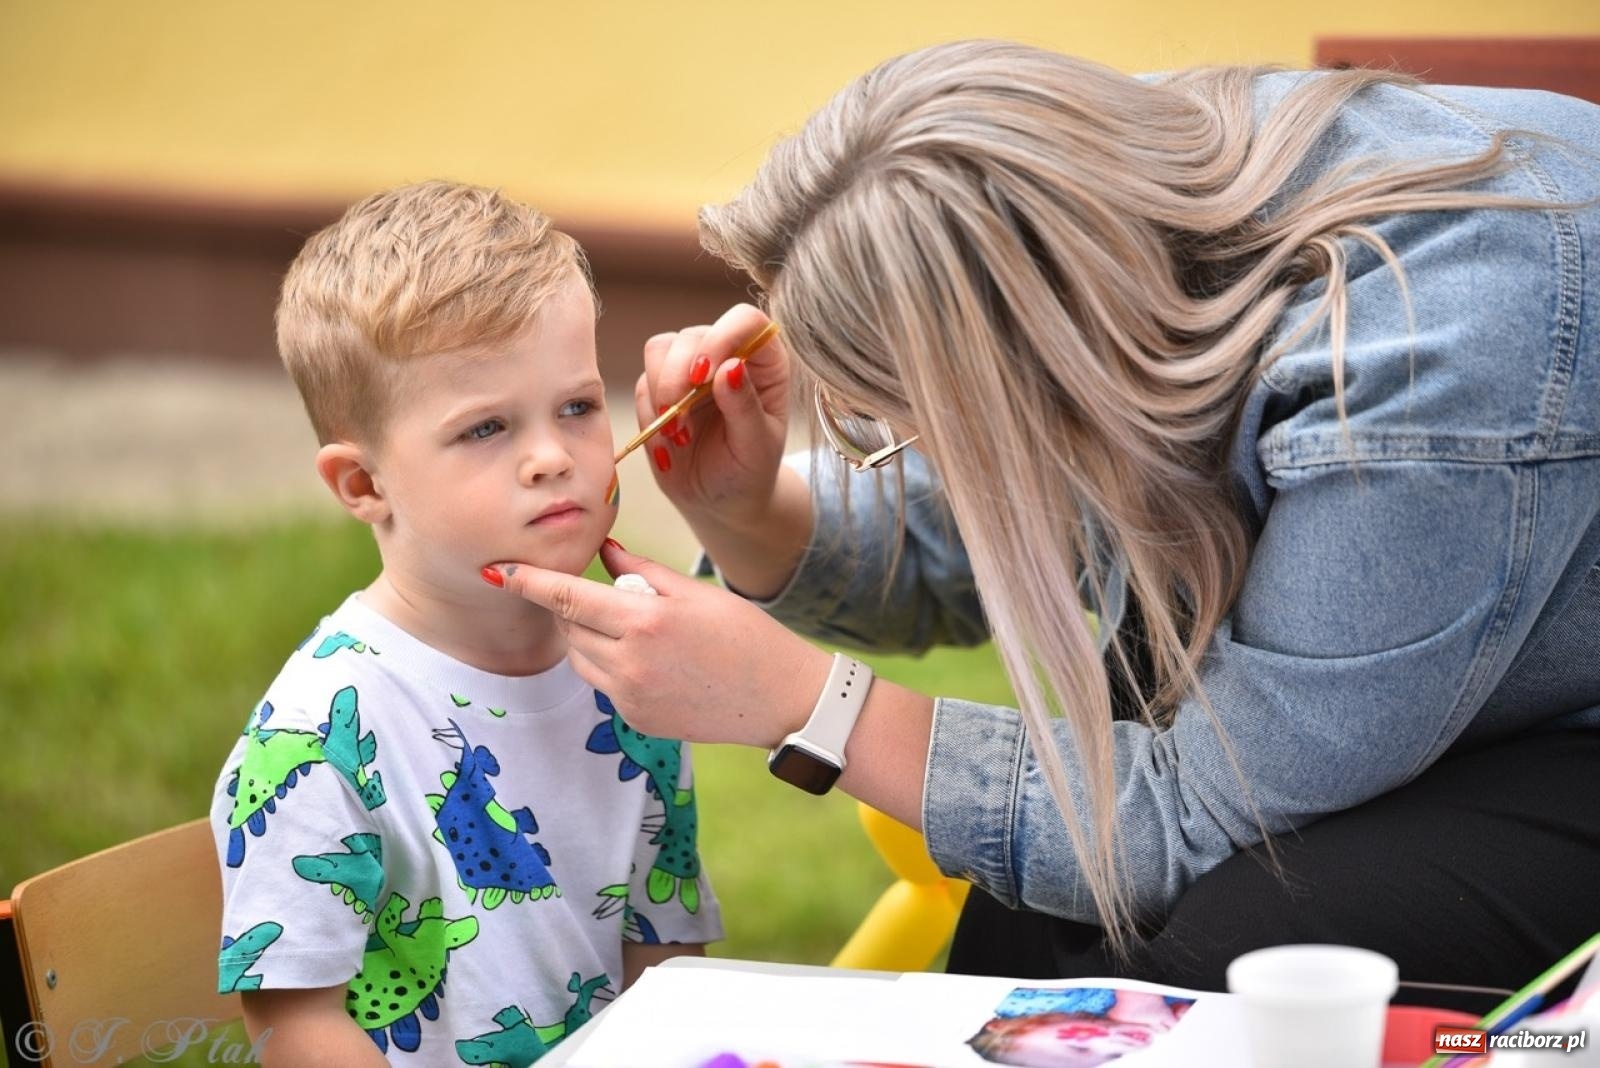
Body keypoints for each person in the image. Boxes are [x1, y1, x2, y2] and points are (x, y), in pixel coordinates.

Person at [488, 41, 1600, 998]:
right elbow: (986, 536)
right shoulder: (1089, 183)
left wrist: (801, 703)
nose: (914, 455)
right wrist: (749, 510)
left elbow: (1182, 823)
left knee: (1232, 972)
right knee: (1034, 943)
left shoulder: (1420, 363)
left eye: (902, 424)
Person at [210, 180, 721, 1067]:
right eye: (486, 428)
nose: (552, 457)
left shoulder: (636, 667)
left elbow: (662, 957)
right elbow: (294, 1022)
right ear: (363, 486)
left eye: (576, 406)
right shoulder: (326, 729)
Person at [967, 987, 1194, 1068]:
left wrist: (1136, 995)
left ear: (1002, 1026)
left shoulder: (1027, 1003)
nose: (1108, 1045)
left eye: (1080, 1048)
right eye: (1113, 1055)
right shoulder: (1136, 1022)